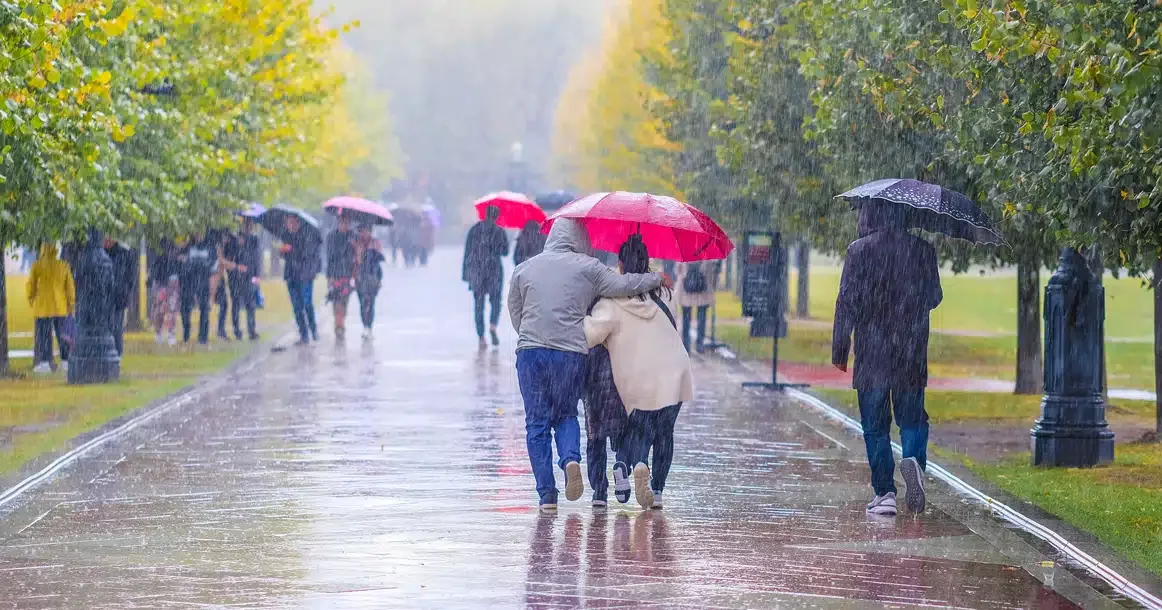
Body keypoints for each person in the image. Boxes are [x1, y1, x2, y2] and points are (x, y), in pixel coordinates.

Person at [507, 218, 670, 512]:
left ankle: (547, 496)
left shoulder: (524, 269)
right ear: (580, 239)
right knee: (567, 414)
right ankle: (570, 459)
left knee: (537, 424)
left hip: (531, 352)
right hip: (570, 353)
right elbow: (624, 285)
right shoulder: (589, 268)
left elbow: (515, 310)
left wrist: (531, 336)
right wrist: (656, 279)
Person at [832, 203, 942, 517]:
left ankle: (884, 493)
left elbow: (846, 302)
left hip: (872, 353)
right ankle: (914, 464)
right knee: (913, 419)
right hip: (911, 351)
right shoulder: (924, 250)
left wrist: (840, 349)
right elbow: (934, 297)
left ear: (873, 216)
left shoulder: (859, 251)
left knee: (876, 427)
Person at [584, 235, 692, 510]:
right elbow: (673, 323)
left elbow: (589, 336)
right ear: (648, 263)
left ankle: (627, 463)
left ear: (619, 265)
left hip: (638, 375)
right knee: (664, 432)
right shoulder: (664, 294)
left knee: (640, 428)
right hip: (674, 370)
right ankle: (656, 491)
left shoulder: (610, 302)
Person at [463, 205, 510, 348]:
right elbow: (505, 252)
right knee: (496, 301)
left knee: (479, 304)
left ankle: (481, 336)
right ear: (496, 216)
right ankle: (493, 326)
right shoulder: (499, 231)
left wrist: (466, 274)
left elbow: (468, 253)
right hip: (494, 269)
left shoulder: (474, 230)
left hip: (477, 270)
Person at [26, 242, 75, 373]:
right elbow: (69, 287)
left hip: (43, 307)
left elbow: (31, 285)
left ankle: (44, 363)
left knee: (43, 337)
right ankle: (65, 362)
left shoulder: (37, 265)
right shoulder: (63, 265)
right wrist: (71, 304)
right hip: (60, 307)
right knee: (62, 336)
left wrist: (31, 298)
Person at [281, 215, 321, 345]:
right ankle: (304, 334)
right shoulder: (286, 235)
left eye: (291, 222)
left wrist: (292, 248)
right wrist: (282, 251)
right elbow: (286, 255)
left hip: (305, 275)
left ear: (297, 222)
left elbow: (307, 253)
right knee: (297, 307)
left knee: (307, 302)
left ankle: (313, 329)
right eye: (287, 222)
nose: (289, 225)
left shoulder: (307, 235)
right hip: (291, 276)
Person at [225, 221, 261, 340]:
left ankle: (251, 330)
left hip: (249, 276)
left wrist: (256, 274)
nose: (248, 227)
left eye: (250, 225)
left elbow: (256, 258)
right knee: (235, 303)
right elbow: (228, 259)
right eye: (246, 225)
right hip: (235, 277)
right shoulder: (233, 240)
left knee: (250, 304)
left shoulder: (254, 239)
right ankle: (237, 331)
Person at [179, 232, 214, 344]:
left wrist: (195, 264)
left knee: (204, 309)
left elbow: (211, 265)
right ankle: (186, 333)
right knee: (185, 308)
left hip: (203, 282)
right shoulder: (188, 247)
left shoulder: (208, 247)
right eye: (197, 233)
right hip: (188, 282)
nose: (199, 236)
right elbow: (182, 263)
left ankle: (203, 337)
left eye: (201, 233)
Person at [103, 237, 136, 356]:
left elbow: (131, 276)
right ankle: (109, 351)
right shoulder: (101, 253)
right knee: (107, 326)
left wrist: (126, 291)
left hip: (118, 296)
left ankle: (117, 352)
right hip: (105, 296)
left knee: (116, 326)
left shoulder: (125, 253)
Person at [675, 260, 718, 353]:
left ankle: (686, 346)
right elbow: (710, 272)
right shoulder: (706, 254)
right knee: (701, 318)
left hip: (685, 290)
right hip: (702, 291)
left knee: (686, 319)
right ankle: (700, 344)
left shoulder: (683, 253)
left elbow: (677, 271)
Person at [325, 216, 357, 339]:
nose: (344, 225)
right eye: (342, 222)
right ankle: (338, 326)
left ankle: (341, 323)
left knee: (344, 302)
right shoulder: (331, 237)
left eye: (347, 223)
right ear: (338, 223)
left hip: (348, 274)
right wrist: (329, 277)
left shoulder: (353, 236)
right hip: (336, 274)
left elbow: (357, 256)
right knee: (336, 301)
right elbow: (329, 257)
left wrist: (354, 246)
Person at [354, 224, 385, 338]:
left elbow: (379, 261)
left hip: (373, 277)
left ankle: (369, 327)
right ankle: (365, 326)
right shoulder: (356, 243)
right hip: (359, 277)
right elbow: (356, 261)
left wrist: (371, 252)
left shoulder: (376, 243)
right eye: (362, 231)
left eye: (366, 231)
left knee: (370, 303)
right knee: (362, 303)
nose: (364, 233)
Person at [150, 239, 181, 345]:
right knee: (160, 309)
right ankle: (158, 333)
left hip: (172, 279)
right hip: (160, 280)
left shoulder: (175, 247)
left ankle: (171, 334)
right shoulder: (156, 246)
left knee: (171, 309)